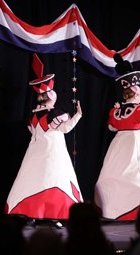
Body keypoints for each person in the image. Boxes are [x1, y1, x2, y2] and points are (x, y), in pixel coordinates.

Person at [5, 53, 83, 221]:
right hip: (52, 152)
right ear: (50, 96)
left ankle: (33, 213)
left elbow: (34, 130)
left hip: (36, 151)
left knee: (34, 178)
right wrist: (78, 115)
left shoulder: (34, 115)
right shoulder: (54, 114)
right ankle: (55, 214)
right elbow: (66, 129)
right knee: (53, 177)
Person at [94, 53, 140, 220]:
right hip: (138, 144)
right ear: (137, 93)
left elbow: (112, 126)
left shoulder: (117, 111)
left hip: (121, 144)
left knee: (118, 175)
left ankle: (116, 210)